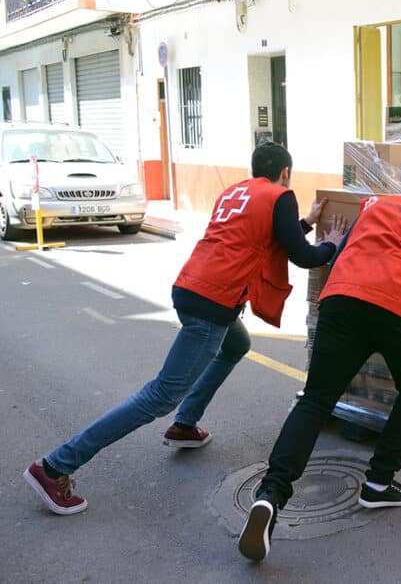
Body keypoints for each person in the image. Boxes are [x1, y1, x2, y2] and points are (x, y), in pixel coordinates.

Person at [23, 142, 344, 516]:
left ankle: (186, 424)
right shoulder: (280, 196)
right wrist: (330, 246)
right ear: (286, 173)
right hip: (213, 302)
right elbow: (302, 255)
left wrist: (305, 222)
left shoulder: (236, 192)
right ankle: (55, 466)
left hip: (192, 286)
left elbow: (262, 236)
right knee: (159, 395)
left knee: (235, 345)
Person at [239, 155, 401, 562]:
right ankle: (379, 482)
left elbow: (341, 257)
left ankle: (271, 494)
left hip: (340, 300)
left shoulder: (374, 206)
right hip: (395, 308)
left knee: (315, 400)